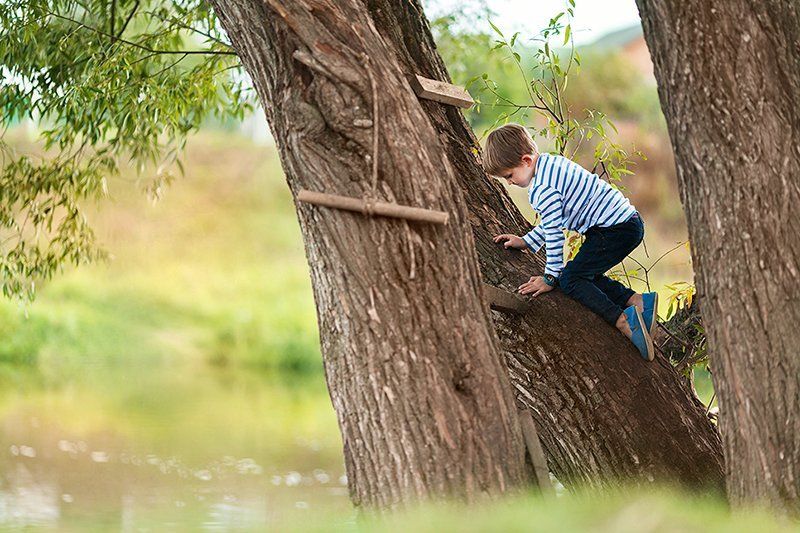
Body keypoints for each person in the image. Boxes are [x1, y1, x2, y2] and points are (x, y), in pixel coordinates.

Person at [483, 123, 658, 361]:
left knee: (570, 279)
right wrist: (527, 241)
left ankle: (624, 321)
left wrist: (550, 278)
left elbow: (556, 234)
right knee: (582, 272)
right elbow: (554, 221)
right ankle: (639, 301)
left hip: (614, 230)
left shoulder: (543, 188)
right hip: (625, 224)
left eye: (509, 176)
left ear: (525, 160)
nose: (510, 183)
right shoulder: (551, 166)